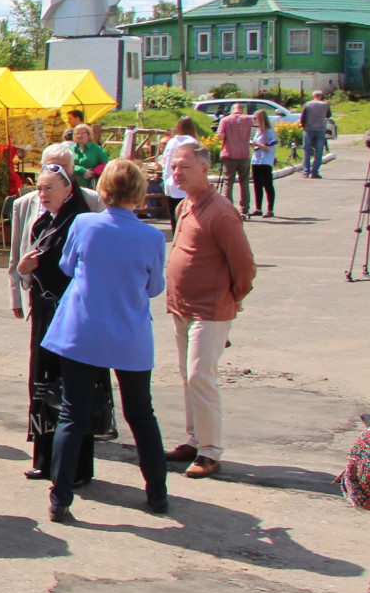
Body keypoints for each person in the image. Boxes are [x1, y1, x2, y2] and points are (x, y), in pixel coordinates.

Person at [41, 159, 172, 521]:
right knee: (141, 413)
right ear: (140, 193)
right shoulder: (151, 237)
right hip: (129, 333)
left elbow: (67, 266)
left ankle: (60, 496)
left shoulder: (84, 224)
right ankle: (157, 491)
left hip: (82, 329)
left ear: (104, 190)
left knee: (73, 413)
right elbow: (155, 287)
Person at [161, 142, 257, 480]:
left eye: (184, 167)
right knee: (189, 377)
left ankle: (210, 451)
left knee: (202, 376)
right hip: (182, 307)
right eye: (173, 167)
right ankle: (194, 440)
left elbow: (244, 266)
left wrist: (234, 298)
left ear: (204, 169)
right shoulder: (185, 206)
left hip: (210, 311)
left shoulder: (221, 211)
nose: (176, 173)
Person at [9, 162, 100, 485]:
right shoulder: (42, 223)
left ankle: (77, 467)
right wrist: (23, 268)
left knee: (71, 389)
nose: (42, 194)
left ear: (68, 190)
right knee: (43, 384)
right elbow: (27, 266)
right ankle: (45, 460)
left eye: (49, 188)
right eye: (39, 188)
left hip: (73, 315)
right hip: (45, 315)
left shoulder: (81, 224)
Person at [161, 117, 203, 225]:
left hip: (171, 183)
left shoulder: (171, 142)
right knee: (188, 218)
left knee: (174, 218)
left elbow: (164, 162)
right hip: (187, 184)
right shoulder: (192, 142)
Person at [215, 103, 255, 216]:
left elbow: (220, 136)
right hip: (244, 154)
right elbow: (252, 135)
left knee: (228, 182)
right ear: (242, 110)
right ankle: (245, 209)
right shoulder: (248, 119)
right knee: (244, 182)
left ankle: (228, 208)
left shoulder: (225, 120)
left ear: (232, 110)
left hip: (229, 154)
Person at [251, 109, 277, 217]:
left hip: (265, 161)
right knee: (257, 185)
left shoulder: (269, 132)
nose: (254, 120)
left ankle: (270, 209)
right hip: (256, 160)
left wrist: (258, 145)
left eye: (255, 118)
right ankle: (258, 208)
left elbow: (270, 147)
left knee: (267, 184)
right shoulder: (258, 131)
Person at [301, 90, 332, 177]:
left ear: (313, 96)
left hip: (309, 128)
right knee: (319, 151)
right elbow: (328, 115)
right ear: (321, 96)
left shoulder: (308, 104)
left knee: (307, 150)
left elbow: (303, 117)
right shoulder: (325, 104)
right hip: (321, 129)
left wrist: (304, 126)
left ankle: (306, 172)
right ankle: (315, 172)